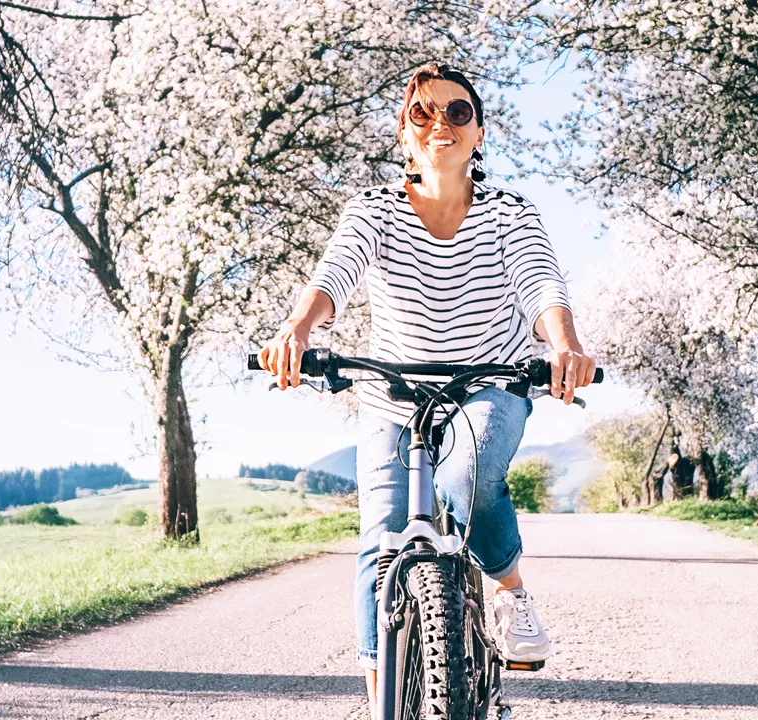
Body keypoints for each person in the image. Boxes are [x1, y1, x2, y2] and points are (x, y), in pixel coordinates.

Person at [255, 62, 596, 715]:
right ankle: (384, 695)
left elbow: (541, 286)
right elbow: (336, 275)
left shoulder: (509, 213)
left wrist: (564, 346)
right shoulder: (375, 209)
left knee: (468, 478)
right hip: (393, 393)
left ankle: (509, 591)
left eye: (457, 112)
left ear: (479, 133)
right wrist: (296, 331)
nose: (440, 122)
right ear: (405, 136)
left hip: (489, 382)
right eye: (423, 113)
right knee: (382, 535)